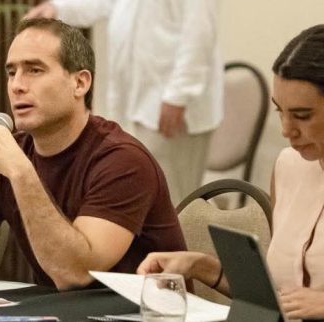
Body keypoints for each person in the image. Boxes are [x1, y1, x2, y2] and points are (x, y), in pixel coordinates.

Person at [0, 18, 185, 290]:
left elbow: (74, 274)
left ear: (80, 83)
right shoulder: (9, 156)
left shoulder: (123, 161)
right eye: (11, 72)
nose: (17, 85)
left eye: (34, 70)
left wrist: (21, 173)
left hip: (141, 311)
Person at [24, 0, 223, 205]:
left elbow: (198, 28)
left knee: (173, 206)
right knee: (137, 201)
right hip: (138, 101)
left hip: (170, 107)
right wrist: (57, 9)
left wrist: (179, 94)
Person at [137, 25, 324, 320]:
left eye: (302, 115)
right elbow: (276, 298)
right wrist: (200, 266)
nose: (287, 130)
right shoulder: (289, 167)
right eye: (280, 111)